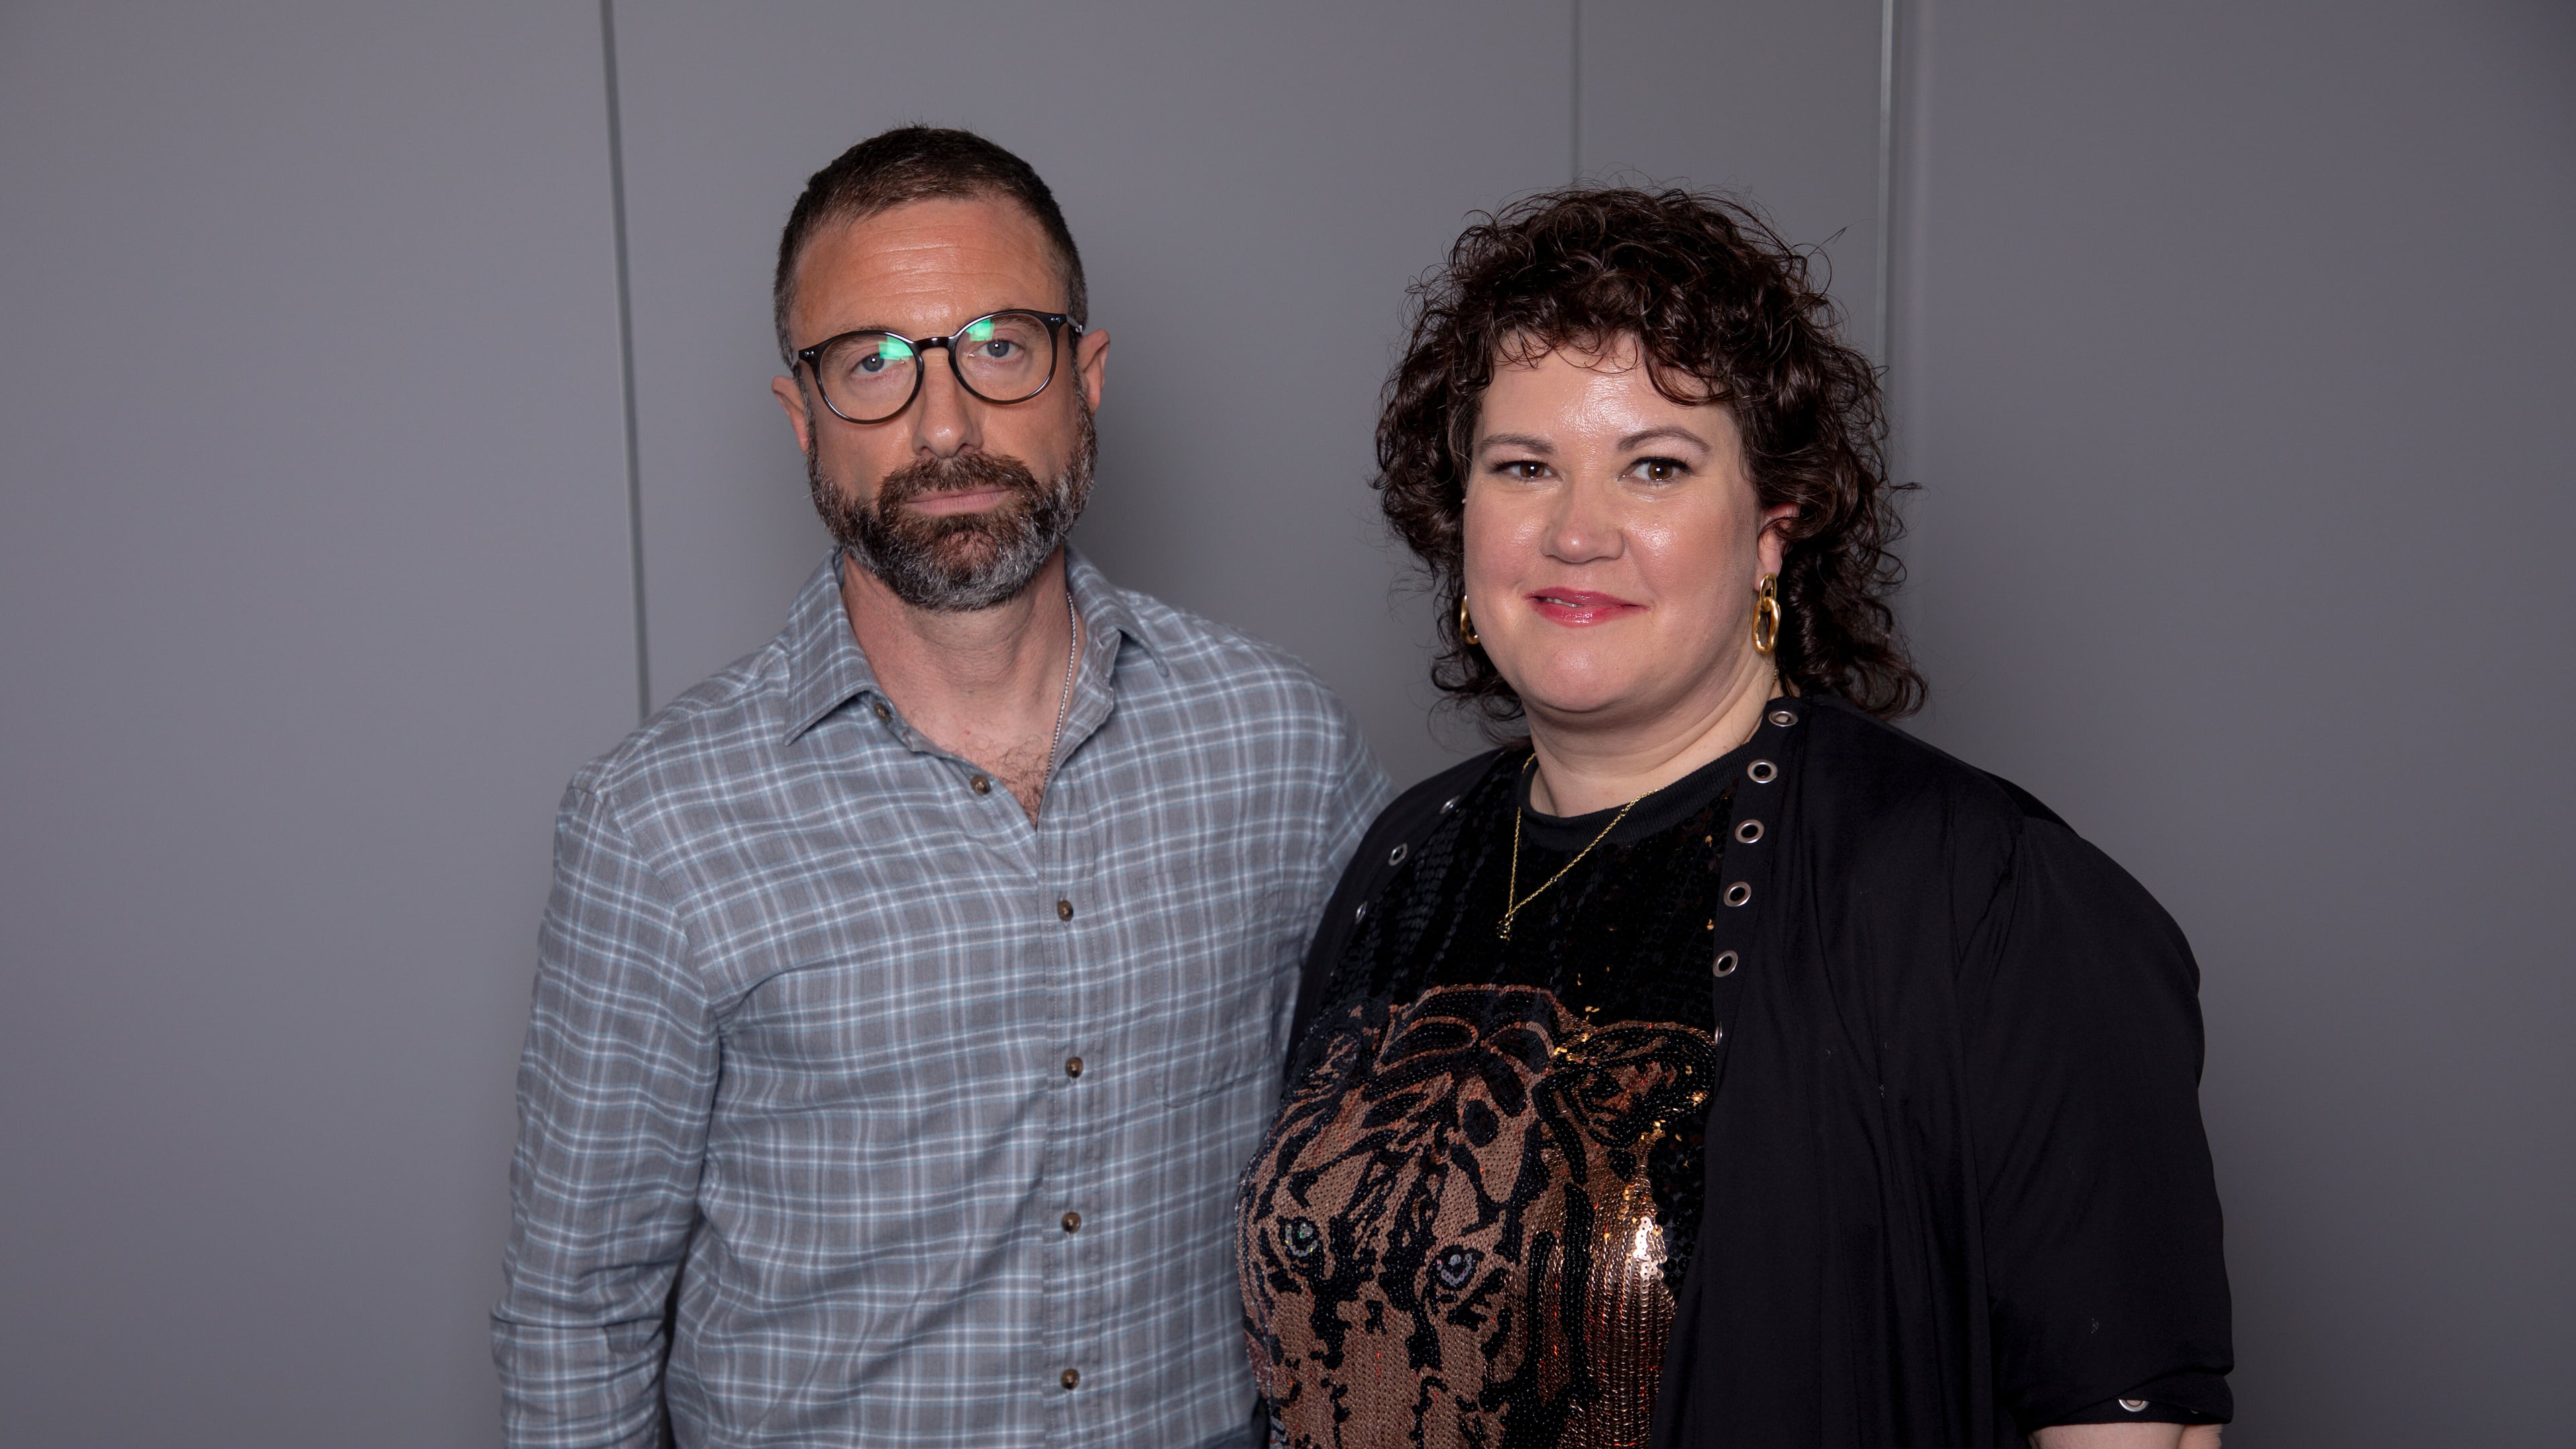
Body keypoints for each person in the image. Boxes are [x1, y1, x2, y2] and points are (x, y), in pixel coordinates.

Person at [1236, 189, 2231, 1449]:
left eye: (1655, 467)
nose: (1576, 531)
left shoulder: (1983, 896)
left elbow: (2133, 1422)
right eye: (1523, 467)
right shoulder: (1402, 858)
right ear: (1461, 517)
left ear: (1772, 530)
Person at [494, 126, 1387, 1448]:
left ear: (1086, 379)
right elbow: (579, 1314)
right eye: (875, 365)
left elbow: (1394, 1188)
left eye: (1001, 347)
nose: (946, 423)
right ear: (802, 421)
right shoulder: (656, 826)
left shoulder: (1284, 747)